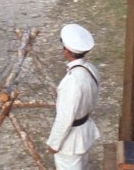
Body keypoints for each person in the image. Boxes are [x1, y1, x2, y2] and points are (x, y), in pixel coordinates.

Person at [46, 24, 101, 170]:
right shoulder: (91, 69)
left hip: (71, 141)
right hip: (85, 130)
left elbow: (65, 118)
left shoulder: (73, 80)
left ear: (66, 51)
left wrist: (54, 144)